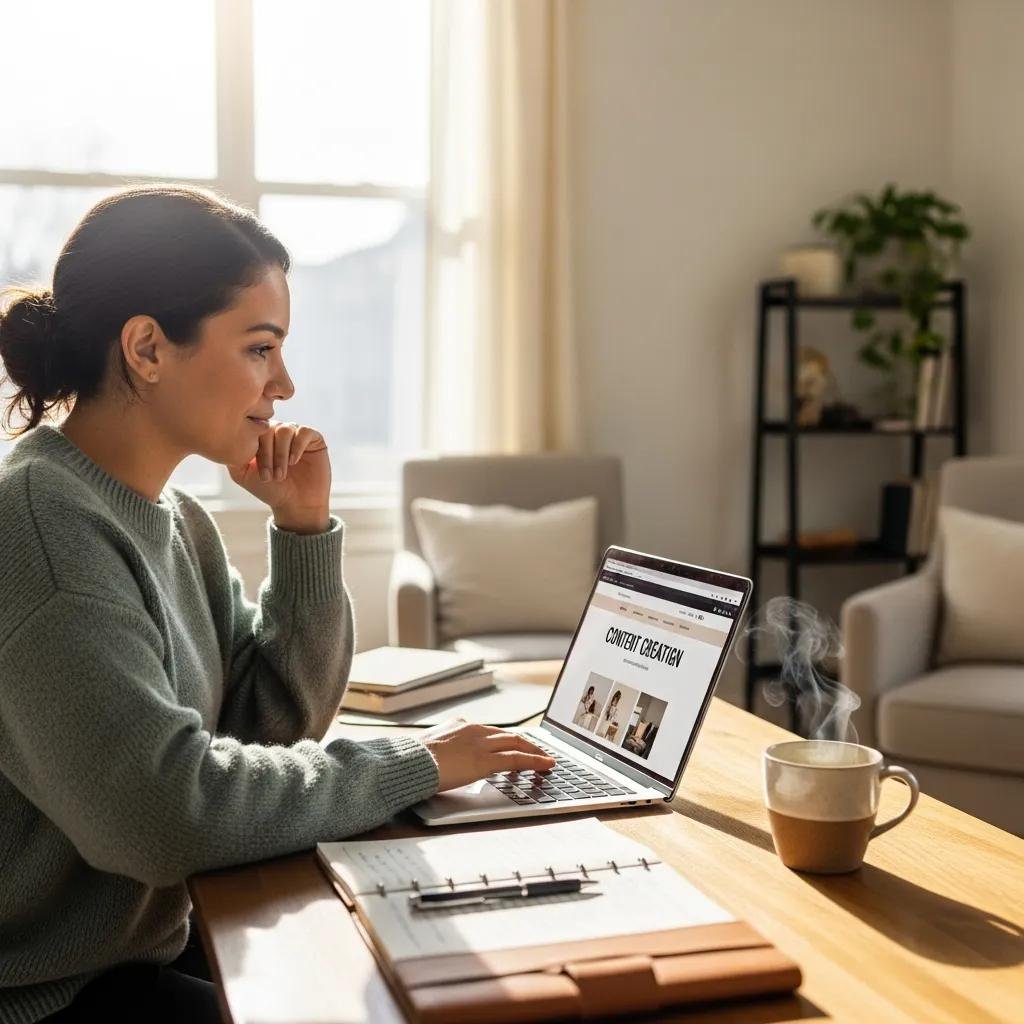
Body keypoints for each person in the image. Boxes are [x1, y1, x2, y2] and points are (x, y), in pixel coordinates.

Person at [0, 185, 555, 1023]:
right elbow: (164, 816)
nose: (285, 385)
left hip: (139, 949)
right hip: (50, 999)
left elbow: (269, 731)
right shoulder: (41, 529)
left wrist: (303, 531)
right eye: (260, 348)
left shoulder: (177, 520)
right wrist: (418, 763)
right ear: (147, 348)